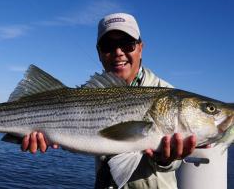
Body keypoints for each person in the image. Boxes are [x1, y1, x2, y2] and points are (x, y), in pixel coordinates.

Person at [21, 13, 209, 188]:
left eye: (127, 44)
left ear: (141, 48)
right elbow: (81, 140)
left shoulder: (167, 93)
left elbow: (173, 163)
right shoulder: (90, 92)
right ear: (99, 53)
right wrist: (48, 136)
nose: (118, 52)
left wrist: (166, 159)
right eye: (108, 46)